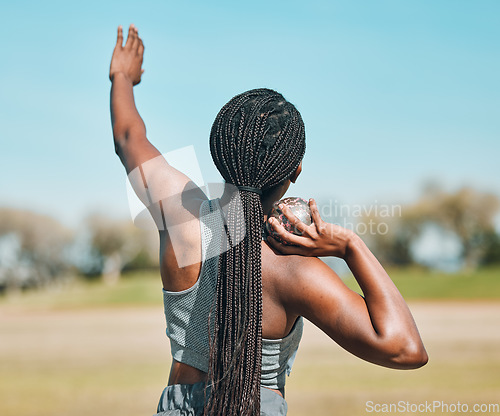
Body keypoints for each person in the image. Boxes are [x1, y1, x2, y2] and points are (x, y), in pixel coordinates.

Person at [109, 24, 428, 416]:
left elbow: (128, 138)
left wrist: (122, 76)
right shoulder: (295, 271)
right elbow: (405, 349)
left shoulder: (179, 213)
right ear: (294, 171)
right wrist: (350, 247)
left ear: (218, 153)